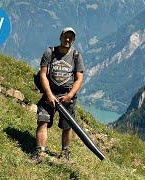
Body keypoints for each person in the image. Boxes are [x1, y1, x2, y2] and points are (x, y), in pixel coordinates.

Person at [32, 27, 84, 163]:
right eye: (65, 36)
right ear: (60, 37)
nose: (68, 39)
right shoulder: (50, 52)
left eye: (71, 38)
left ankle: (65, 153)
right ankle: (39, 153)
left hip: (67, 97)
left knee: (67, 126)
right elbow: (43, 74)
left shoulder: (76, 56)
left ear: (73, 40)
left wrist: (70, 95)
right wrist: (49, 94)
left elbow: (79, 78)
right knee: (43, 121)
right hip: (49, 94)